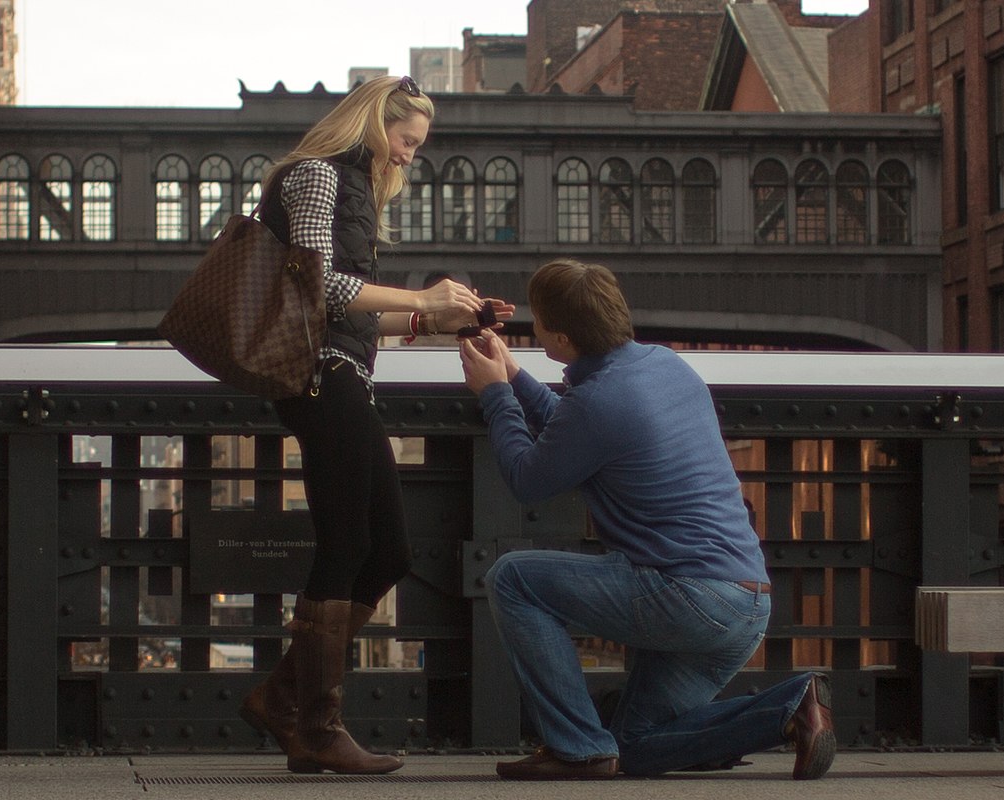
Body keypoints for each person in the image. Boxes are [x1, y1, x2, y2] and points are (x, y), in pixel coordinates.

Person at [458, 258, 834, 781]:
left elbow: (528, 477)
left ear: (561, 339)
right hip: (745, 604)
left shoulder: (597, 402)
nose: (532, 325)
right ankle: (790, 709)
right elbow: (578, 429)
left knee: (513, 578)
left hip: (687, 596)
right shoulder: (664, 364)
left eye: (538, 321)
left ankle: (578, 748)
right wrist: (516, 377)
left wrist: (494, 394)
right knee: (634, 746)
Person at [238, 75, 513, 775]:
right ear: (370, 123)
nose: (408, 157)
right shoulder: (317, 177)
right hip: (316, 373)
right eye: (405, 140)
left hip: (345, 372)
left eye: (417, 147)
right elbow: (315, 285)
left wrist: (436, 318)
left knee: (387, 549)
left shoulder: (353, 188)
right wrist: (421, 293)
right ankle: (318, 725)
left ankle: (282, 699)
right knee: (348, 539)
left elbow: (352, 306)